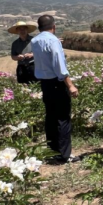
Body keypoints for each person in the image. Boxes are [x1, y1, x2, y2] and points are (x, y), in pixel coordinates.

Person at [31, 15, 79, 164]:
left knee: (50, 117)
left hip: (45, 83)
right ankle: (64, 154)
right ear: (54, 26)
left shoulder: (34, 41)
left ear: (39, 27)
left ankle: (51, 150)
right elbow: (59, 65)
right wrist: (70, 84)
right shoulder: (53, 41)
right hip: (57, 83)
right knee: (63, 118)